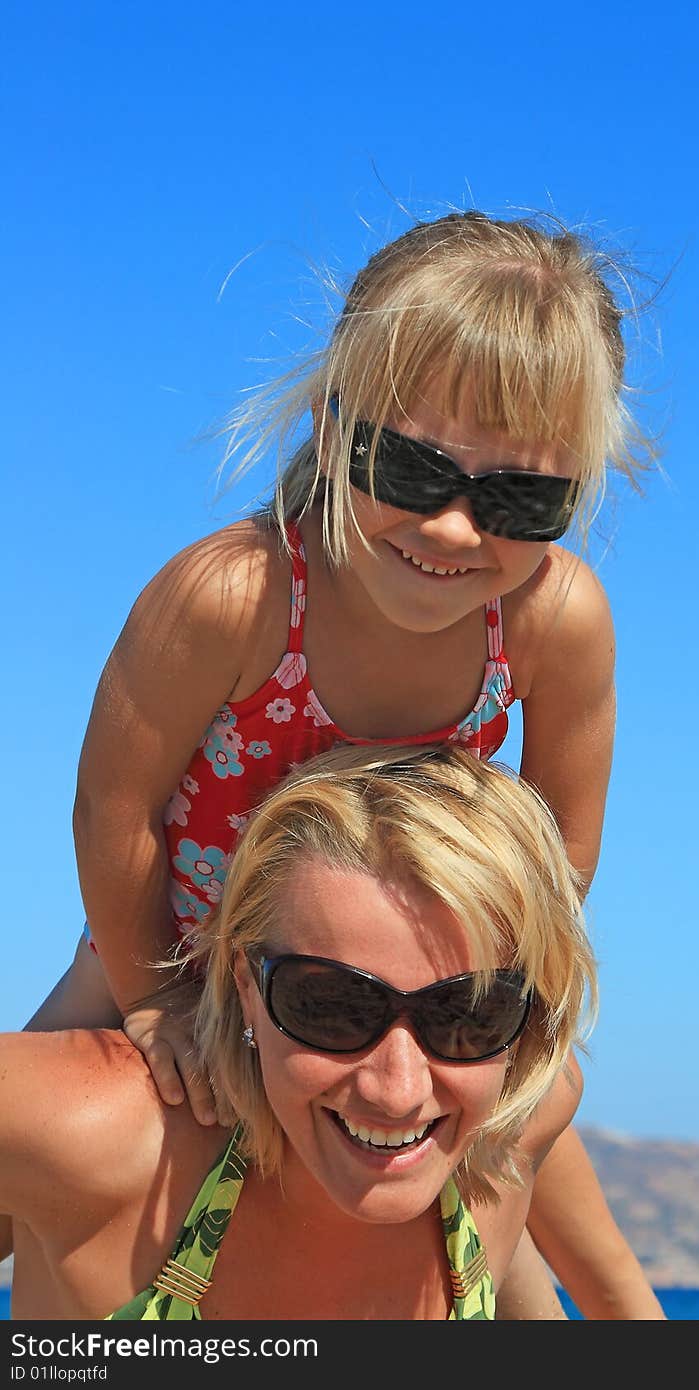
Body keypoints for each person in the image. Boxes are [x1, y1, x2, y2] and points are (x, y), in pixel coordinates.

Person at [17, 209, 664, 1318]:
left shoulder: (556, 619)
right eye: (409, 468)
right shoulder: (236, 595)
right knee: (51, 1156)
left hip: (392, 967)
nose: (456, 531)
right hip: (174, 934)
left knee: (521, 1110)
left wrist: (492, 1003)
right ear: (331, 424)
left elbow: (562, 853)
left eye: (520, 500)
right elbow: (112, 814)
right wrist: (153, 1007)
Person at [4, 745, 594, 1320]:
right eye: (331, 1006)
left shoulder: (515, 1131)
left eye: (467, 1014)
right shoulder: (104, 1136)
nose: (399, 1090)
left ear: (526, 1023)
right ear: (246, 989)